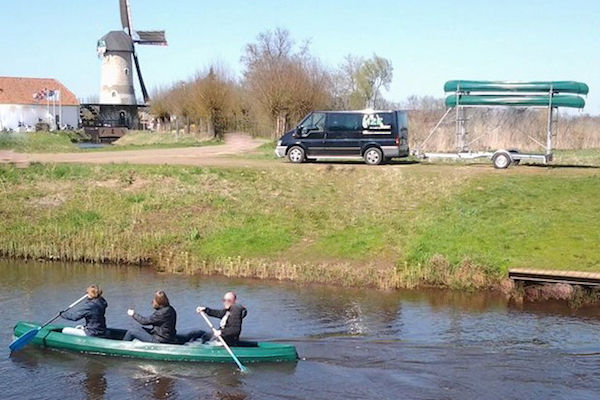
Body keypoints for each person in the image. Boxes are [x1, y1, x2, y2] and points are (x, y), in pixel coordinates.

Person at [180, 292, 247, 346]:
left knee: (201, 339)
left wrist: (221, 332)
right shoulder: (228, 311)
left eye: (229, 300)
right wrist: (205, 310)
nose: (226, 302)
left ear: (234, 301)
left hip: (225, 342)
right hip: (221, 338)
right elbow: (219, 313)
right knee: (199, 333)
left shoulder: (235, 310)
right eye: (224, 300)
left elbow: (235, 330)